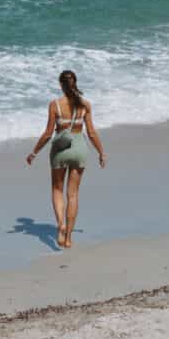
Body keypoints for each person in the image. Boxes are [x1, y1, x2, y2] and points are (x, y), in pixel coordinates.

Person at [25, 69, 106, 248]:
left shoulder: (55, 105)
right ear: (75, 83)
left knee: (57, 190)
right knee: (73, 194)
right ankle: (68, 238)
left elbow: (48, 134)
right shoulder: (85, 105)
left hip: (61, 149)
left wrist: (34, 152)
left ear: (61, 85)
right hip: (80, 149)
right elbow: (91, 133)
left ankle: (60, 224)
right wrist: (101, 152)